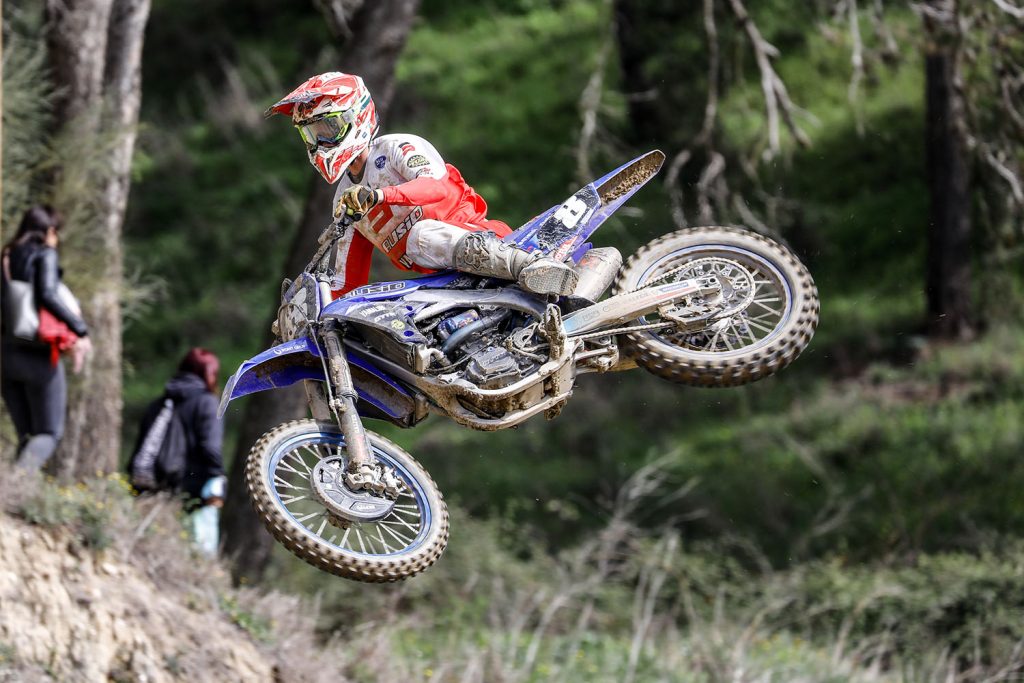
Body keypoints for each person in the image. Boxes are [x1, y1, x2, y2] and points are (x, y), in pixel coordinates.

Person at [266, 72, 580, 297]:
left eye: (327, 128)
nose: (320, 142)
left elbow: (435, 187)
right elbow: (350, 283)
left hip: (485, 239)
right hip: (441, 284)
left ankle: (531, 265)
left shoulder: (395, 148)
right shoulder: (346, 199)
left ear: (355, 116)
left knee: (421, 236)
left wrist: (378, 196)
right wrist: (312, 310)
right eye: (312, 134)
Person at [1, 206, 91, 471]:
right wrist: (80, 328)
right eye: (56, 232)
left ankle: (12, 487)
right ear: (49, 231)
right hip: (37, 354)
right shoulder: (45, 254)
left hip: (5, 354)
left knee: (27, 436)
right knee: (48, 433)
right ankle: (16, 483)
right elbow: (48, 294)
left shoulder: (6, 256)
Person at [133, 348, 226, 557]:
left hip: (151, 483)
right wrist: (219, 478)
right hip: (193, 488)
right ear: (209, 374)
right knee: (200, 554)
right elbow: (210, 448)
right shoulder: (207, 403)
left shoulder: (159, 403)